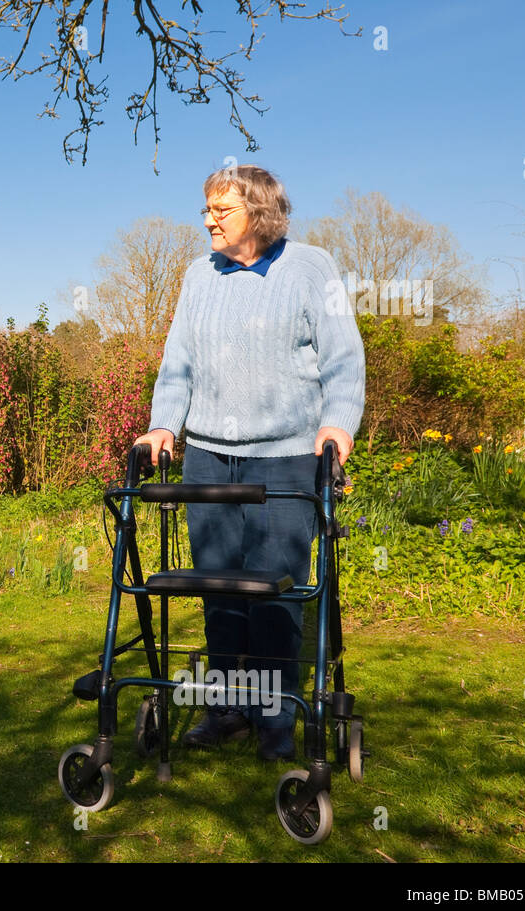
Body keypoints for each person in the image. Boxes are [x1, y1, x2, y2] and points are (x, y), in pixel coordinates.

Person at [134, 164, 365, 761]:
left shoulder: (312, 268)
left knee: (274, 590)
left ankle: (276, 716)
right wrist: (164, 424)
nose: (207, 219)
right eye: (206, 208)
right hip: (209, 457)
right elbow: (177, 363)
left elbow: (344, 358)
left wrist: (337, 425)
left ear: (259, 214)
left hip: (287, 457)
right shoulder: (197, 276)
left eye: (221, 210)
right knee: (219, 588)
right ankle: (227, 706)